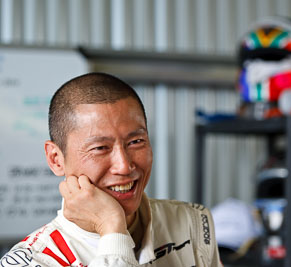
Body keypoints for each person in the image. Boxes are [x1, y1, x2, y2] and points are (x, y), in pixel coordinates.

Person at [0, 73, 222, 267]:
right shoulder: (36, 260)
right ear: (56, 159)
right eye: (100, 148)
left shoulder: (192, 221)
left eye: (136, 141)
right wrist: (112, 228)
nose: (124, 166)